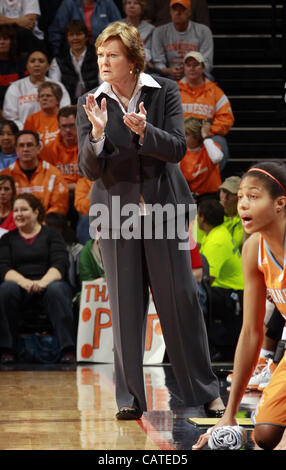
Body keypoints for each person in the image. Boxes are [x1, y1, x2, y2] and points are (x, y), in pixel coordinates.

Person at [77, 21, 224, 420]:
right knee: (124, 306)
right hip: (115, 214)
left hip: (165, 211)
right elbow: (89, 170)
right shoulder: (92, 100)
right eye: (100, 55)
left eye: (112, 56)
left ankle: (206, 391)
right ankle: (129, 399)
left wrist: (146, 132)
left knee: (180, 300)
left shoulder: (165, 91)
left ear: (133, 60)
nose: (104, 62)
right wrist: (96, 134)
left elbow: (177, 148)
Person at [193, 161, 286, 451]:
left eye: (254, 197)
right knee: (265, 435)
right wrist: (229, 414)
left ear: (280, 203)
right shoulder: (253, 249)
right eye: (242, 196)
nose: (243, 204)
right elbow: (250, 332)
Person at [0, 192, 75, 364]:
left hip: (48, 282)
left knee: (57, 289)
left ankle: (67, 349)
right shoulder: (7, 239)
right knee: (5, 290)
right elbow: (3, 268)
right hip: (19, 284)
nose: (18, 214)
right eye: (15, 210)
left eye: (24, 209)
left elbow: (60, 265)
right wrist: (25, 282)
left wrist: (42, 283)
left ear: (36, 212)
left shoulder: (52, 235)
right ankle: (6, 350)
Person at [197, 199, 244, 360]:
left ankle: (203, 348)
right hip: (229, 290)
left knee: (196, 295)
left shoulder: (216, 241)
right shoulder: (218, 232)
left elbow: (206, 279)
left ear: (202, 218)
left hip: (233, 295)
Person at [178, 50, 234, 170]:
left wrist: (208, 131)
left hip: (207, 134)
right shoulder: (175, 90)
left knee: (220, 142)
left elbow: (226, 118)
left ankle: (214, 181)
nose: (192, 68)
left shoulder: (215, 91)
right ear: (184, 68)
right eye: (188, 65)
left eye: (196, 65)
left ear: (203, 68)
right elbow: (165, 115)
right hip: (181, 134)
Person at [0, 130, 69, 215]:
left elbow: (59, 207)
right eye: (21, 146)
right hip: (13, 223)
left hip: (45, 223)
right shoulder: (5, 175)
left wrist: (40, 224)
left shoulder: (54, 174)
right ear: (16, 150)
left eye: (29, 145)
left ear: (38, 148)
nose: (25, 149)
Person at [2, 50, 71, 129]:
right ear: (27, 66)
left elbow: (65, 112)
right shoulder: (15, 87)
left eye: (41, 61)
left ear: (48, 66)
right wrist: (27, 130)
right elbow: (10, 117)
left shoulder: (58, 86)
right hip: (24, 133)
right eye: (32, 61)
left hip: (54, 130)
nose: (37, 64)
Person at [151, 0, 213, 81]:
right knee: (153, 77)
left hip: (195, 73)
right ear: (170, 12)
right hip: (168, 74)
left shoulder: (203, 31)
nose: (178, 13)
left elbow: (207, 62)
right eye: (174, 9)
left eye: (182, 9)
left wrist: (189, 70)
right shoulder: (159, 32)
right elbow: (157, 61)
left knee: (209, 78)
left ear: (189, 12)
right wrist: (168, 70)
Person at [40, 105, 80, 230]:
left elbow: (90, 181)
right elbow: (45, 180)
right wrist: (70, 186)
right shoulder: (48, 149)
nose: (68, 130)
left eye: (71, 126)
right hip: (58, 194)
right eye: (64, 126)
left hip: (81, 194)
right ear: (58, 127)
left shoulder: (88, 147)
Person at [48, 20, 99, 105]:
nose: (75, 38)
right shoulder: (59, 59)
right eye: (71, 35)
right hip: (67, 103)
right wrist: (66, 105)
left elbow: (104, 83)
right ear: (67, 38)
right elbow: (55, 86)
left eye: (78, 34)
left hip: (95, 102)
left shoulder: (98, 56)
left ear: (86, 37)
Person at [48, 0, 122, 57]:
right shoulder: (69, 4)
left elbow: (119, 28)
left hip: (104, 52)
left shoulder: (107, 3)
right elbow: (56, 32)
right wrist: (57, 55)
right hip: (74, 54)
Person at [180, 116, 222, 199]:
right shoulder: (181, 152)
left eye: (187, 134)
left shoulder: (208, 147)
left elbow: (217, 157)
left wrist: (205, 136)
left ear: (197, 136)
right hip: (192, 196)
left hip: (211, 195)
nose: (183, 137)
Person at [23, 81, 62, 148]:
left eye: (48, 96)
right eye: (41, 96)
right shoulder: (31, 120)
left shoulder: (65, 118)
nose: (44, 98)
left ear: (58, 100)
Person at [121, 0, 154, 70]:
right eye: (128, 3)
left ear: (142, 7)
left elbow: (149, 55)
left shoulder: (150, 29)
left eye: (136, 3)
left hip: (143, 67)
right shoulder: (114, 27)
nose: (131, 6)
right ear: (124, 7)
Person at [0, 24, 27, 108]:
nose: (1, 42)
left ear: (12, 42)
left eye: (6, 39)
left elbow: (27, 90)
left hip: (19, 107)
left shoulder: (23, 63)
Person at [219, 176, 244, 253]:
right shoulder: (208, 212)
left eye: (231, 193)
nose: (225, 197)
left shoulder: (247, 218)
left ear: (240, 197)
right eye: (223, 191)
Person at [144, 0, 210, 27]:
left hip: (189, 41)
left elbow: (203, 28)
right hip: (161, 39)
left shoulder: (198, 2)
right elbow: (146, 22)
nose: (178, 12)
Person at [74, 176, 93, 244]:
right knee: (86, 218)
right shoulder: (83, 182)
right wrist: (95, 186)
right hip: (94, 217)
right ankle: (88, 251)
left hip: (113, 213)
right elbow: (82, 208)